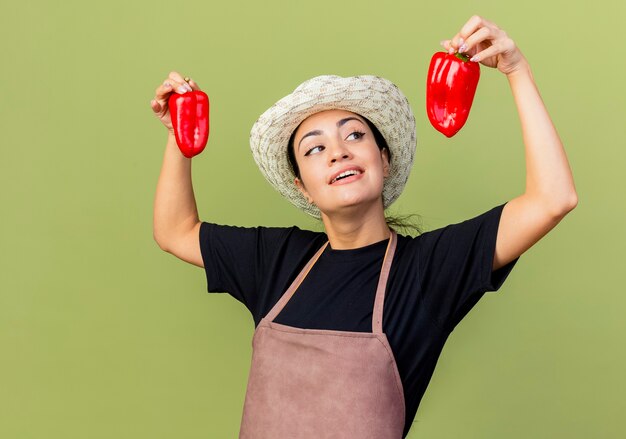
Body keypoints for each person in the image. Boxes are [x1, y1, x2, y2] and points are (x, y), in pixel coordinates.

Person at [150, 15, 577, 439]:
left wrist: (517, 72)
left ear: (383, 160)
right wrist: (178, 137)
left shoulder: (429, 270)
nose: (337, 152)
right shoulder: (275, 260)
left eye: (354, 136)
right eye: (315, 147)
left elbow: (553, 199)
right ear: (303, 187)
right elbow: (175, 231)